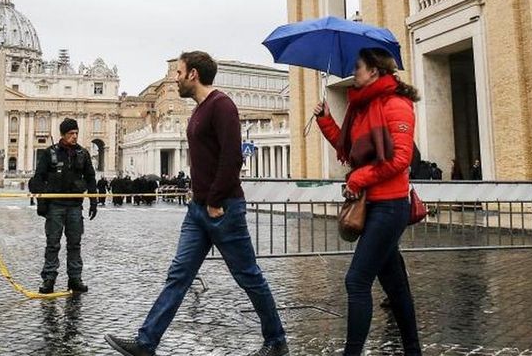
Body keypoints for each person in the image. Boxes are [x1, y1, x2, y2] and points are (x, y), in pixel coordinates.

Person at [105, 51, 288, 356]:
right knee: (179, 275)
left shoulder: (222, 106)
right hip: (198, 210)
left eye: (178, 73)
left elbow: (232, 157)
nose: (174, 79)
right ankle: (146, 342)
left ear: (193, 74)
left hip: (223, 208)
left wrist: (215, 201)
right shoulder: (200, 110)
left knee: (248, 276)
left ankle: (277, 339)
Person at [313, 48, 421, 355]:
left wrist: (359, 179)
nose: (353, 72)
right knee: (395, 285)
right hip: (372, 205)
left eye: (358, 67)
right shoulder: (361, 107)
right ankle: (413, 350)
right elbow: (349, 150)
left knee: (356, 280)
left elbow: (401, 158)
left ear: (374, 70)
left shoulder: (396, 104)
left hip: (390, 205)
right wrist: (326, 121)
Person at [30, 118, 98, 294]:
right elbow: (38, 177)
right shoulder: (50, 153)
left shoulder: (83, 153)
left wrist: (93, 200)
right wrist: (42, 201)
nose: (74, 136)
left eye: (76, 133)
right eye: (70, 134)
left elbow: (90, 177)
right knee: (53, 244)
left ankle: (75, 278)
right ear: (63, 134)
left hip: (75, 206)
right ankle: (49, 279)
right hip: (55, 206)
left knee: (75, 243)